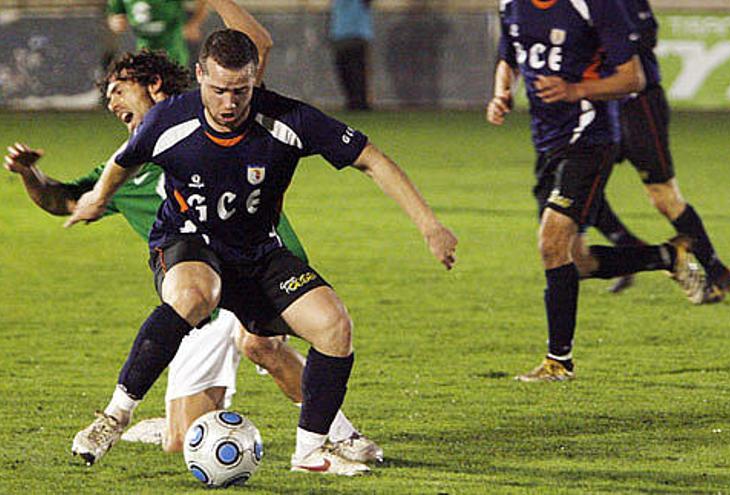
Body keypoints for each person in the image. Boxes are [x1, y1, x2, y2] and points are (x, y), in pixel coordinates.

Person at [65, 29, 457, 475]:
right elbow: (124, 160)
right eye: (218, 90)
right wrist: (97, 198)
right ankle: (115, 416)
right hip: (187, 241)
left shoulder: (288, 119)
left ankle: (309, 451)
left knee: (333, 325)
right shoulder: (170, 120)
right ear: (199, 77)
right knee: (195, 295)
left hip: (257, 252)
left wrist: (429, 224)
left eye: (240, 91)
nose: (229, 103)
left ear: (255, 81)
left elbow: (372, 159)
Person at [6, 0, 382, 463]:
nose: (112, 104)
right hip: (195, 288)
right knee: (183, 441)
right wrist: (28, 175)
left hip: (255, 262)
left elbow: (256, 43)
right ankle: (168, 422)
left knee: (265, 343)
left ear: (155, 84)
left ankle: (335, 434)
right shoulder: (125, 167)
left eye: (119, 92)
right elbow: (65, 199)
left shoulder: (222, 102)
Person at [486, 0, 702, 383]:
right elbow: (510, 58)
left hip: (590, 138)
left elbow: (632, 78)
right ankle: (668, 255)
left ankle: (558, 362)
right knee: (576, 260)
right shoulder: (511, 4)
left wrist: (574, 90)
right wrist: (502, 92)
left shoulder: (594, 5)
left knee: (551, 242)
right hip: (547, 143)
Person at [590, 0, 730, 302]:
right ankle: (631, 255)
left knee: (663, 195)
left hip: (637, 105)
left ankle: (715, 268)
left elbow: (645, 33)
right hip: (598, 105)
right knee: (580, 190)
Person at [107, 0, 208, 66]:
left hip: (173, 53)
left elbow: (203, 2)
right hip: (142, 53)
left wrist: (194, 23)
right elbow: (114, 15)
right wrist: (115, 22)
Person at [329, 0, 373, 110]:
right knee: (345, 72)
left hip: (356, 35)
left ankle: (359, 102)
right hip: (340, 35)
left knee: (356, 72)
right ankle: (353, 101)